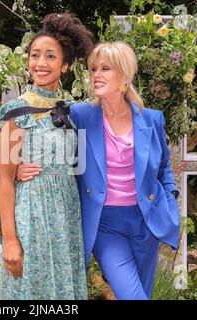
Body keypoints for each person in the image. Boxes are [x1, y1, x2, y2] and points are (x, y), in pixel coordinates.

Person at [17, 41, 181, 300]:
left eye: (105, 68)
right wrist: (16, 167)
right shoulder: (80, 114)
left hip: (146, 222)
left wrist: (171, 195)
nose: (96, 75)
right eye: (93, 69)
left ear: (124, 75)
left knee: (142, 293)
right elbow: (44, 138)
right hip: (105, 224)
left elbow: (163, 167)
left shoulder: (152, 119)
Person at [0, 12, 94, 300]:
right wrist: (10, 240)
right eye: (35, 55)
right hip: (32, 215)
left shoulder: (72, 110)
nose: (41, 63)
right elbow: (5, 181)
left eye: (50, 56)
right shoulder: (16, 113)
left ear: (64, 65)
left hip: (66, 215)